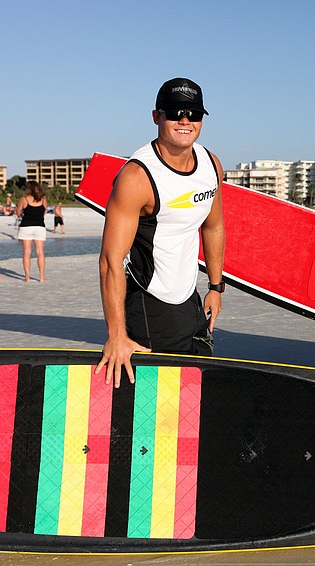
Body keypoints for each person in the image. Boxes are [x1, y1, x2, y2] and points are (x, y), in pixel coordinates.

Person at [96, 77, 226, 388]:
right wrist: (117, 335)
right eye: (175, 113)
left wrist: (216, 287)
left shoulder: (211, 164)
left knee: (196, 389)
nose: (185, 121)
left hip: (190, 300)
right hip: (149, 303)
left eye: (193, 114)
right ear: (157, 117)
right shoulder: (137, 176)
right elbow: (111, 261)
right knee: (160, 399)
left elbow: (213, 224)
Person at [16, 181, 48, 282]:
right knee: (40, 252)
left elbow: (18, 213)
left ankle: (27, 277)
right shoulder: (43, 199)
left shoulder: (24, 199)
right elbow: (44, 212)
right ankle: (42, 277)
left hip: (26, 226)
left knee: (27, 252)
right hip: (39, 226)